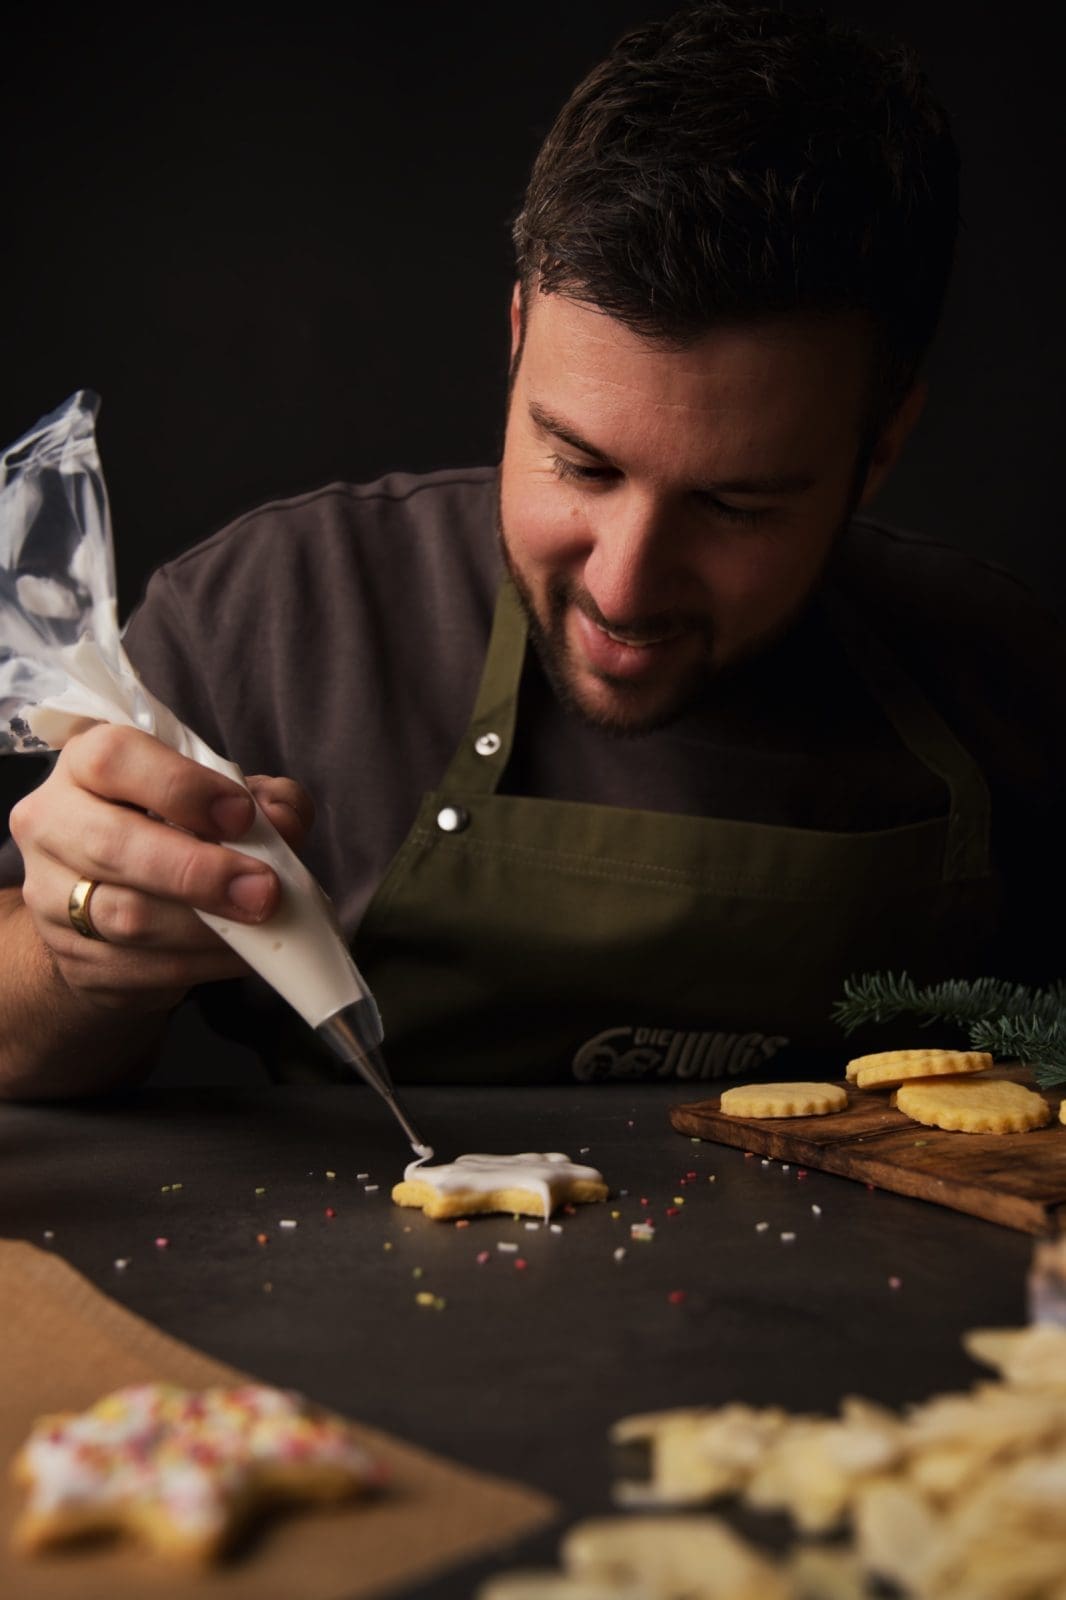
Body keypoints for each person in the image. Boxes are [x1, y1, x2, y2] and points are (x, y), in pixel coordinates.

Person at [2, 1, 1063, 1096]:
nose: (623, 584)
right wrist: (77, 953)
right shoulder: (275, 613)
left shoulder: (1003, 674)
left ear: (879, 448)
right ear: (518, 340)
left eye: (735, 506)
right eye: (581, 465)